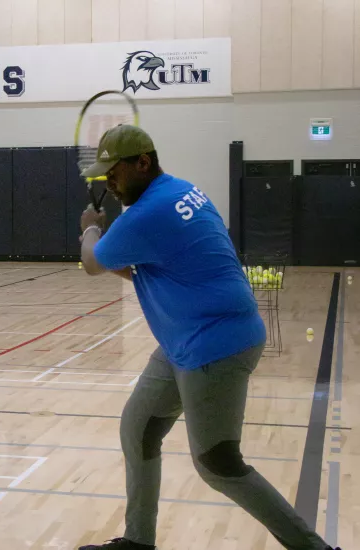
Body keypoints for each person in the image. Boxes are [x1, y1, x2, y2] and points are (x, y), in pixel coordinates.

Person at [77, 125, 340, 550]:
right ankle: (138, 542)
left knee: (218, 463)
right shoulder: (181, 191)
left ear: (143, 162)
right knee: (139, 428)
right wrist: (109, 245)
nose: (108, 180)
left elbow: (93, 262)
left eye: (114, 171)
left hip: (215, 345)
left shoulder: (146, 214)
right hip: (189, 340)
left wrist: (91, 228)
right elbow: (143, 267)